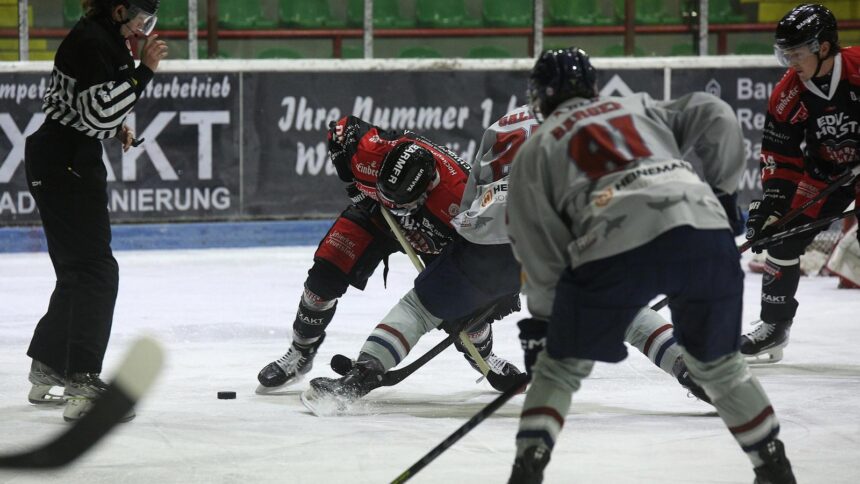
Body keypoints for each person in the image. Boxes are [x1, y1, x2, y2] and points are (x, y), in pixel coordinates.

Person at [505, 48, 794, 484]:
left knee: (559, 369)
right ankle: (774, 468)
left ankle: (527, 468)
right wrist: (720, 192)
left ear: (541, 96)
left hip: (613, 244)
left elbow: (537, 249)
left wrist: (548, 322)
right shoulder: (635, 106)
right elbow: (715, 112)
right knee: (720, 366)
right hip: (703, 233)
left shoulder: (537, 148)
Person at [301, 104, 711, 408]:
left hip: (495, 234)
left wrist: (477, 288)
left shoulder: (497, 135)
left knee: (420, 307)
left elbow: (478, 196)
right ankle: (690, 368)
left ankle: (362, 375)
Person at [255, 116, 519, 394]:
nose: (399, 208)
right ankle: (300, 352)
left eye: (405, 203)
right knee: (323, 279)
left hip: (438, 241)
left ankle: (485, 357)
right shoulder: (370, 151)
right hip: (375, 216)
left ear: (429, 185)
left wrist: (494, 292)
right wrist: (347, 173)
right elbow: (341, 128)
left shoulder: (461, 200)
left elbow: (484, 254)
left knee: (466, 312)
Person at [25, 0, 167, 422]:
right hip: (66, 162)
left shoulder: (102, 37)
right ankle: (82, 382)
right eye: (141, 18)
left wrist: (114, 124)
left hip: (62, 155)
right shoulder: (92, 41)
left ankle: (48, 365)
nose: (144, 28)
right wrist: (145, 72)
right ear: (119, 9)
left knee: (77, 271)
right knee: (96, 272)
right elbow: (97, 109)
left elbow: (87, 108)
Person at [741, 4, 860, 364]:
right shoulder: (789, 93)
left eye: (796, 52)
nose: (790, 60)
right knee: (782, 235)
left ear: (823, 48)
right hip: (826, 171)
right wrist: (774, 204)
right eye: (785, 53)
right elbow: (782, 154)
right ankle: (774, 328)